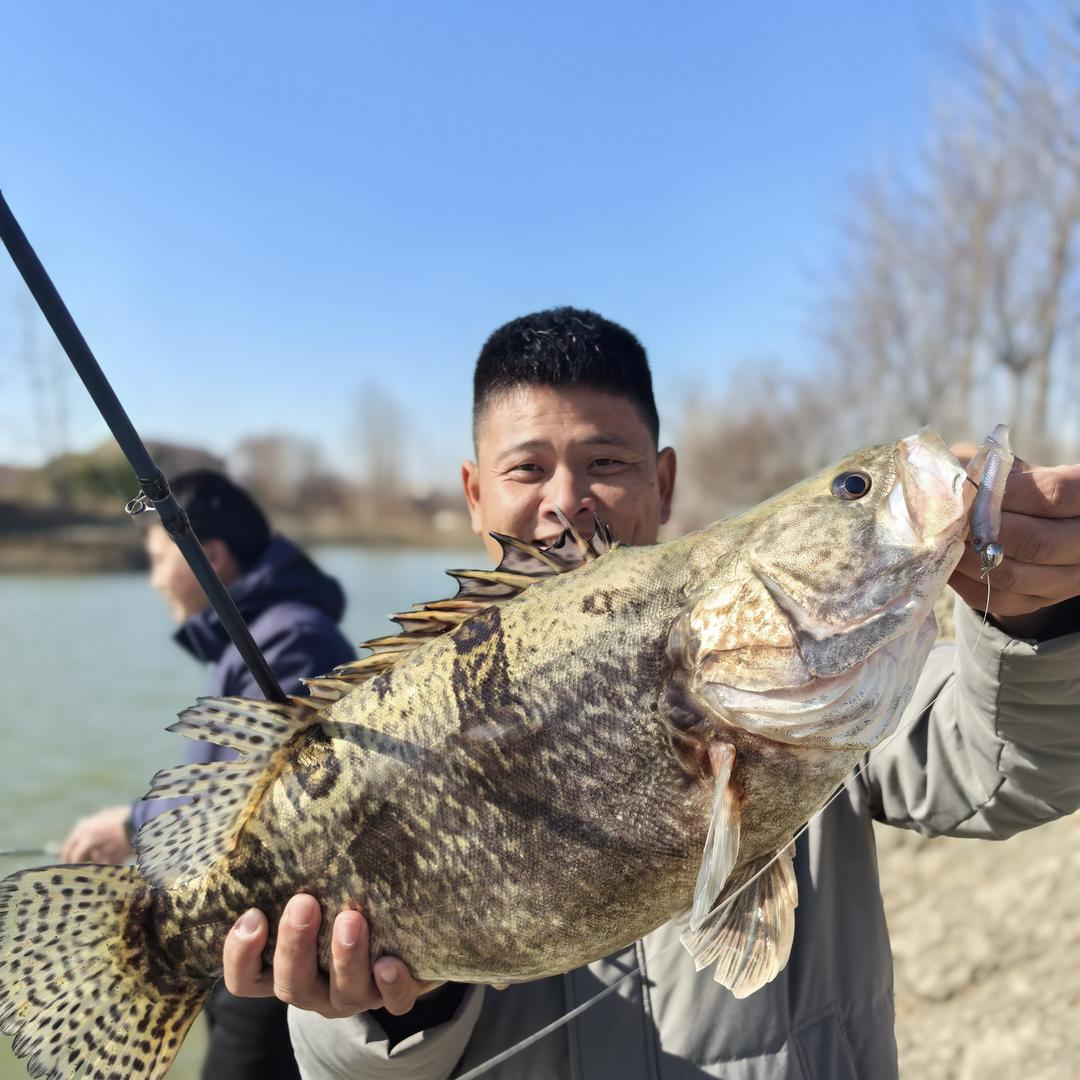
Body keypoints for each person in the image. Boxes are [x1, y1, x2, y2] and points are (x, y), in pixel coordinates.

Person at [223, 307, 1080, 1079]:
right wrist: (381, 1010)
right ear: (475, 493)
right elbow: (350, 1070)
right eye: (527, 468)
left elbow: (1008, 764)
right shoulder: (419, 700)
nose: (567, 500)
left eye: (606, 461)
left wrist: (1045, 620)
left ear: (664, 482)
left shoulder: (828, 682)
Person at [60, 469, 355, 1080]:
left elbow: (247, 806)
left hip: (283, 949)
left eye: (156, 557)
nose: (153, 579)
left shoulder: (289, 639)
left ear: (210, 558)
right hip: (246, 934)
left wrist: (130, 822)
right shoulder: (259, 636)